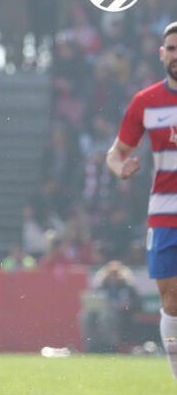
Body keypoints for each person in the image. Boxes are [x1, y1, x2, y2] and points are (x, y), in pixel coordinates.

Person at [106, 21, 177, 380]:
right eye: (172, 49)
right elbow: (115, 153)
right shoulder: (146, 102)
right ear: (161, 54)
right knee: (171, 300)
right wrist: (120, 168)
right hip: (165, 214)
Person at [80, 260, 141, 353]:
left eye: (116, 273)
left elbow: (137, 303)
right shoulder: (103, 286)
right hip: (102, 312)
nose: (113, 276)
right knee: (85, 315)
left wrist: (126, 305)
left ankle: (110, 345)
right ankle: (92, 344)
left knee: (105, 316)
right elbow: (97, 300)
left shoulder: (127, 287)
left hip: (122, 315)